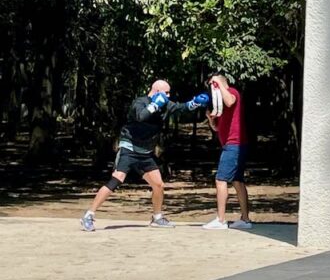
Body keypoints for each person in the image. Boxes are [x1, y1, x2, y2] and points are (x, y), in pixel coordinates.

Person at [79, 80, 210, 232]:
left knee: (158, 184)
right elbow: (141, 116)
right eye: (166, 93)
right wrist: (155, 105)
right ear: (157, 91)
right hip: (129, 148)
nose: (169, 96)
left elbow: (181, 108)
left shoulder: (166, 104)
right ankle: (88, 215)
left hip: (146, 153)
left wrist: (195, 103)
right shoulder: (139, 102)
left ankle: (157, 217)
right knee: (117, 179)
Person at [202, 72, 251, 230]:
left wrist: (219, 83)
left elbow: (230, 101)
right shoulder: (220, 103)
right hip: (233, 144)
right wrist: (211, 119)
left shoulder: (232, 93)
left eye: (212, 85)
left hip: (234, 144)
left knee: (220, 179)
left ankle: (221, 220)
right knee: (237, 181)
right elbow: (217, 128)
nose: (212, 90)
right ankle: (245, 219)